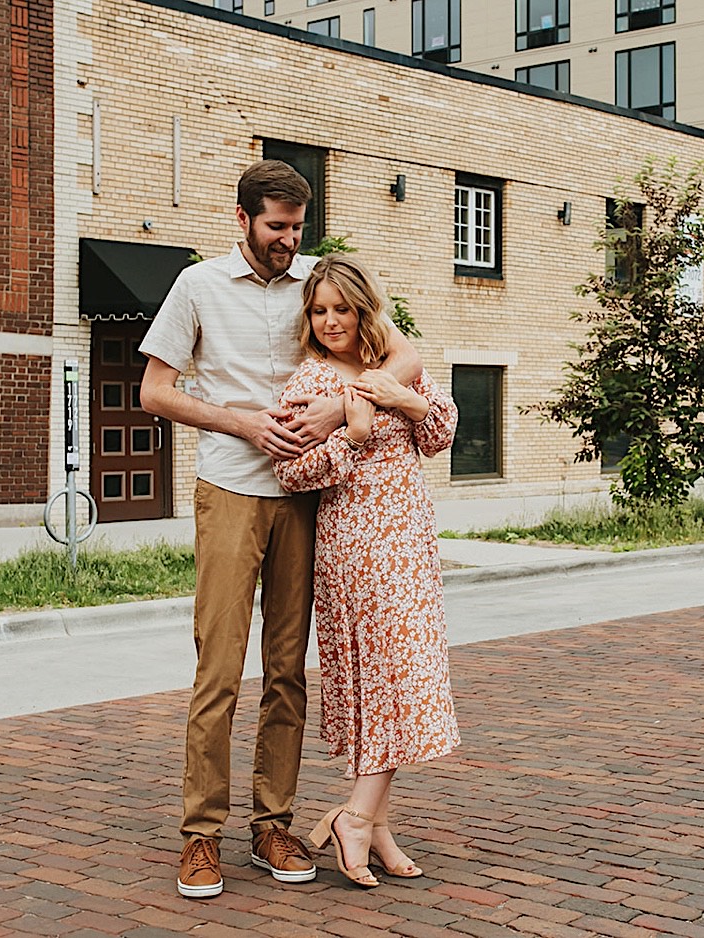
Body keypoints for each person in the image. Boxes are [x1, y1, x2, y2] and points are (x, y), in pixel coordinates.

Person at [138, 160, 421, 899]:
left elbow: (406, 353)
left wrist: (343, 405)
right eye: (275, 229)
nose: (286, 243)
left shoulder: (317, 285)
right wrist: (240, 422)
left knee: (289, 671)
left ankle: (273, 824)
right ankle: (201, 836)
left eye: (296, 229)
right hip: (231, 487)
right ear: (242, 219)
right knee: (220, 669)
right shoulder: (197, 286)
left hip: (310, 499)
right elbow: (154, 391)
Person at [273, 255, 460, 889]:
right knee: (384, 676)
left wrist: (404, 398)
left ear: (364, 311)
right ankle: (357, 818)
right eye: (318, 310)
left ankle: (372, 822)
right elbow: (291, 473)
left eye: (341, 310)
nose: (329, 322)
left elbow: (439, 437)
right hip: (356, 545)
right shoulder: (308, 383)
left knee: (402, 675)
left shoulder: (392, 367)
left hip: (409, 539)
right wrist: (349, 439)